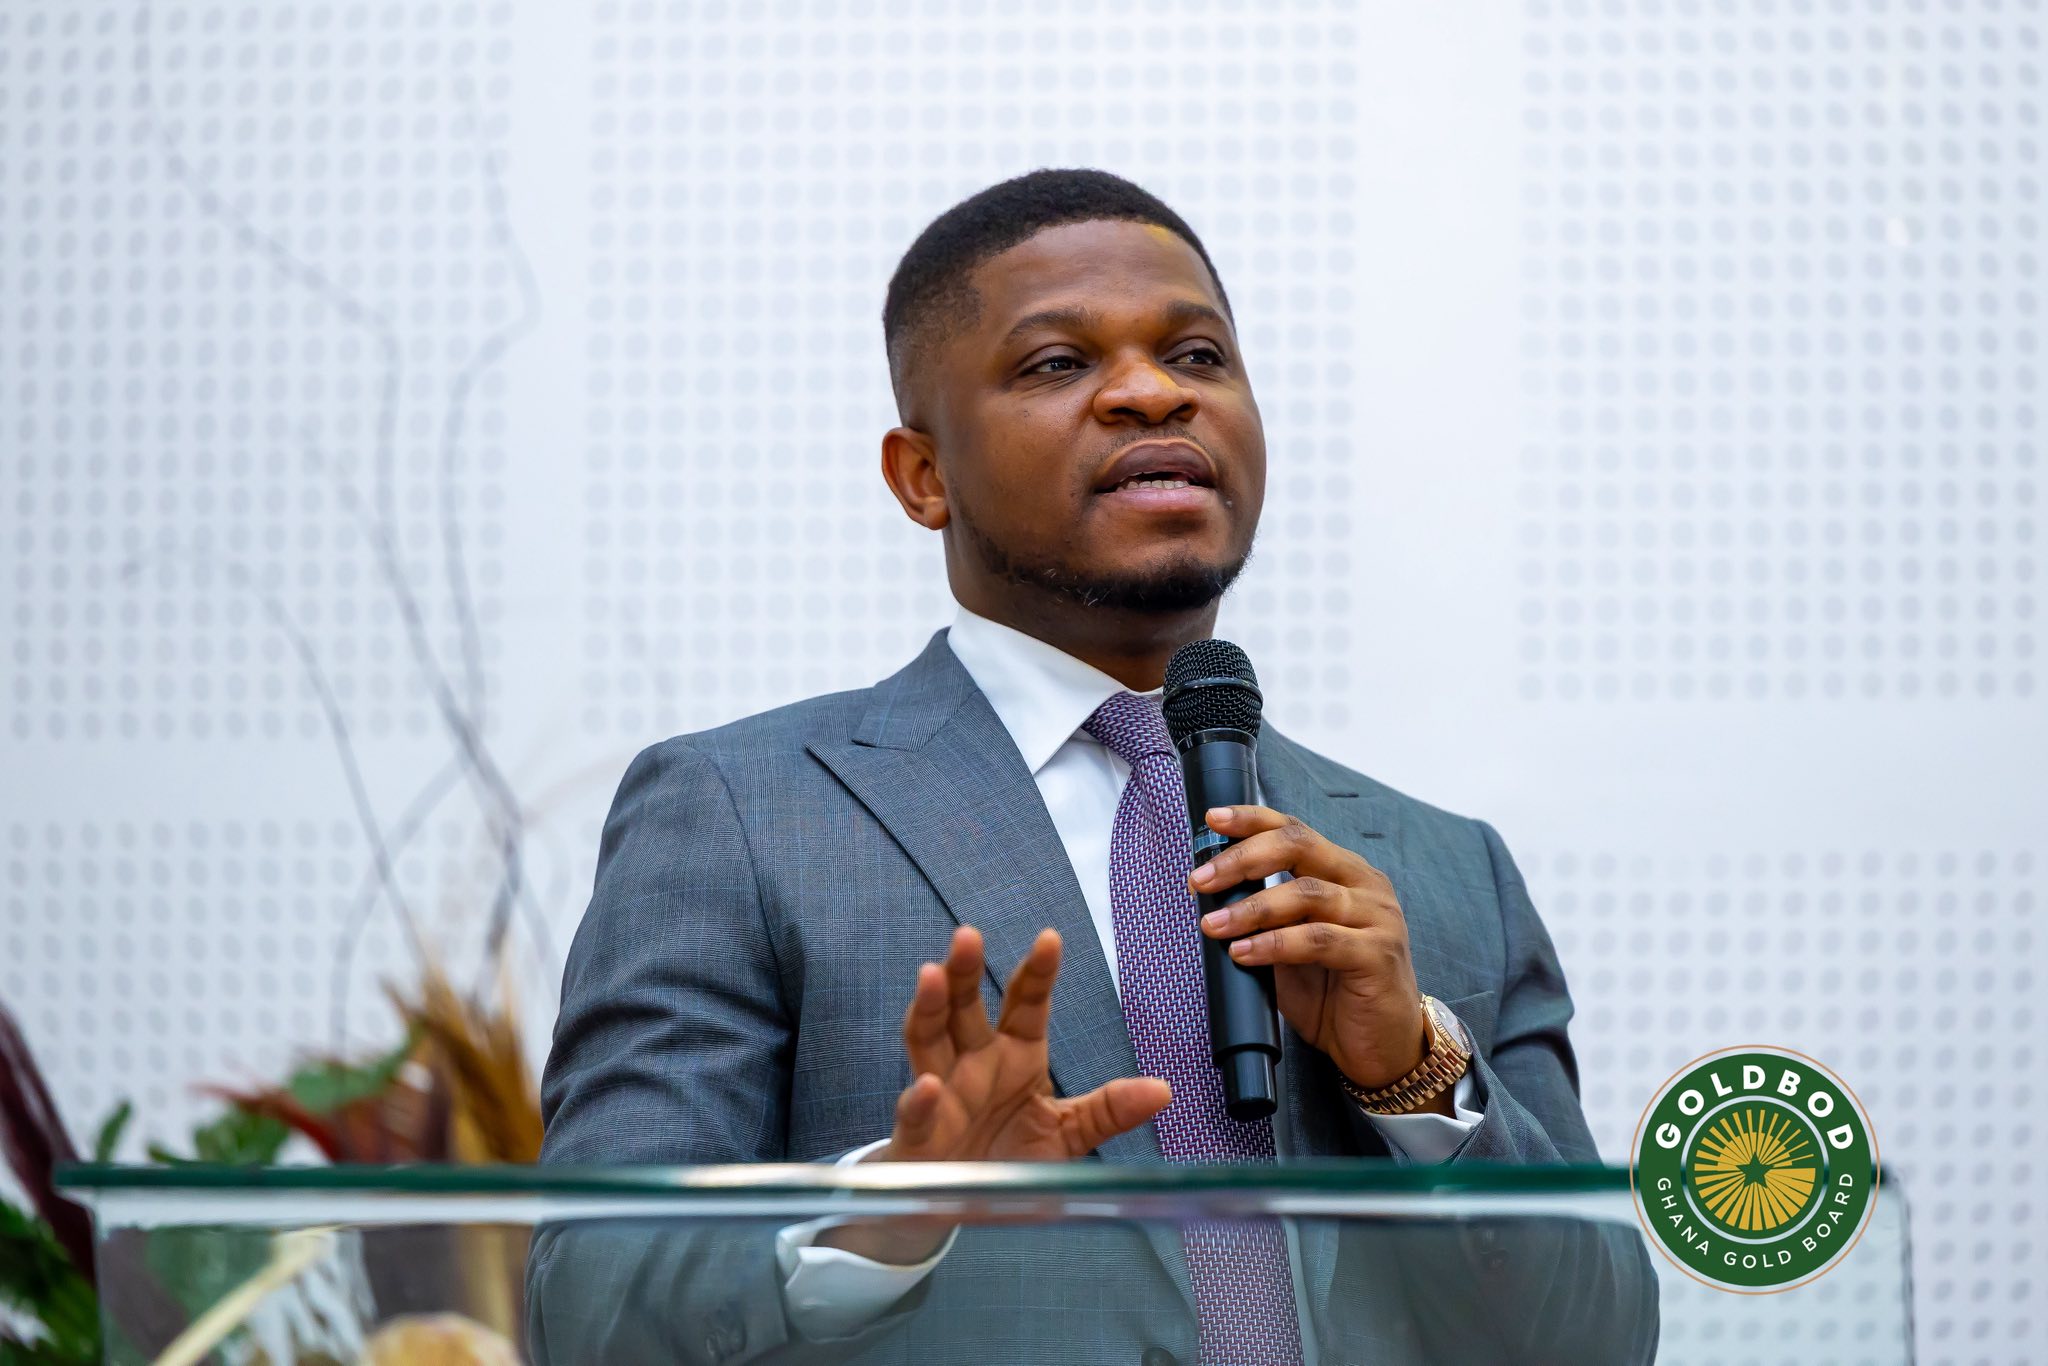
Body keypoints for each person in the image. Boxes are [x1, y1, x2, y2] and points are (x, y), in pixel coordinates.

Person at [528, 168, 1658, 1365]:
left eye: (1197, 355)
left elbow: (1597, 1340)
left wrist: (1416, 1079)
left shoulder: (1444, 869)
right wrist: (885, 1210)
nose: (1152, 392)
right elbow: (587, 1309)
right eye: (1058, 363)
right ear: (922, 475)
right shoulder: (738, 815)